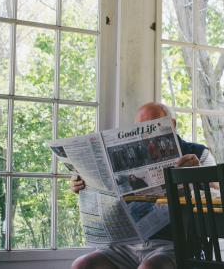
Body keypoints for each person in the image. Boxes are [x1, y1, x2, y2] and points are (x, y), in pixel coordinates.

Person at [71, 102, 216, 269]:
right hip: (125, 244)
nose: (146, 134)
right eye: (140, 127)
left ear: (172, 124)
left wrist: (196, 173)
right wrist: (82, 184)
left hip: (172, 243)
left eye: (152, 126)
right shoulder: (129, 156)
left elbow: (220, 192)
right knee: (81, 265)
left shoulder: (197, 153)